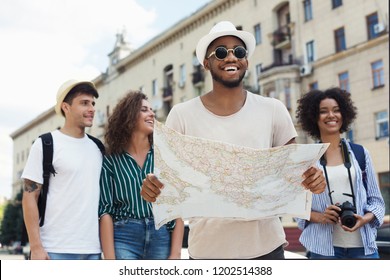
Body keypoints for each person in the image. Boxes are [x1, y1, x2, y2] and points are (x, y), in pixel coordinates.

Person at [140, 21, 326, 259]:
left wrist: (313, 179)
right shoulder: (181, 114)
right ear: (206, 63)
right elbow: (167, 182)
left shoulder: (273, 109)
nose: (231, 58)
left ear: (246, 61)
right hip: (207, 252)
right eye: (220, 52)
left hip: (266, 249)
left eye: (238, 52)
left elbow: (295, 173)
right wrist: (153, 188)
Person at [295, 87, 385, 259]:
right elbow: (297, 208)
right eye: (323, 111)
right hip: (323, 250)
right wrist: (320, 217)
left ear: (344, 115)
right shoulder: (306, 159)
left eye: (336, 110)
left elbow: (377, 202)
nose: (331, 115)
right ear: (314, 117)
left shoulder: (360, 154)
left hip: (364, 247)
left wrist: (364, 219)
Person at [22, 79, 103, 260]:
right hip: (54, 249)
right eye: (84, 103)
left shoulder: (98, 148)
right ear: (66, 107)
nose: (91, 108)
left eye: (92, 103)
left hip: (93, 250)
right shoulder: (44, 144)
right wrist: (36, 247)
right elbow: (29, 196)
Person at [98, 91, 184, 259]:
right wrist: (110, 259)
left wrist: (176, 254)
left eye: (151, 110)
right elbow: (105, 211)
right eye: (144, 109)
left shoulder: (164, 156)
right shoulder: (111, 159)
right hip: (124, 238)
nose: (151, 113)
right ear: (128, 116)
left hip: (161, 235)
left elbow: (178, 207)